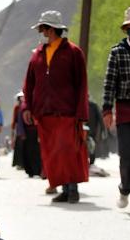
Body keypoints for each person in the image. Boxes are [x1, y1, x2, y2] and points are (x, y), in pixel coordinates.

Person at [22, 10, 89, 203]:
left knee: (68, 150)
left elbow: (81, 84)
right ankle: (64, 189)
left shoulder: (73, 52)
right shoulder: (37, 55)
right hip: (44, 113)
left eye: (43, 28)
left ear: (51, 29)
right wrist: (27, 106)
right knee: (52, 152)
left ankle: (73, 188)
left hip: (67, 112)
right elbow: (29, 84)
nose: (41, 33)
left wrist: (81, 113)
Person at [102, 6, 130, 215]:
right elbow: (109, 82)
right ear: (126, 29)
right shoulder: (117, 52)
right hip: (125, 111)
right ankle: (125, 188)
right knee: (127, 154)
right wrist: (107, 110)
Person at [11, 91, 25, 170]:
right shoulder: (17, 108)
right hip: (19, 129)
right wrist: (13, 129)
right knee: (19, 147)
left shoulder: (27, 107)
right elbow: (14, 119)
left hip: (26, 129)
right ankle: (19, 163)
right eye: (20, 98)